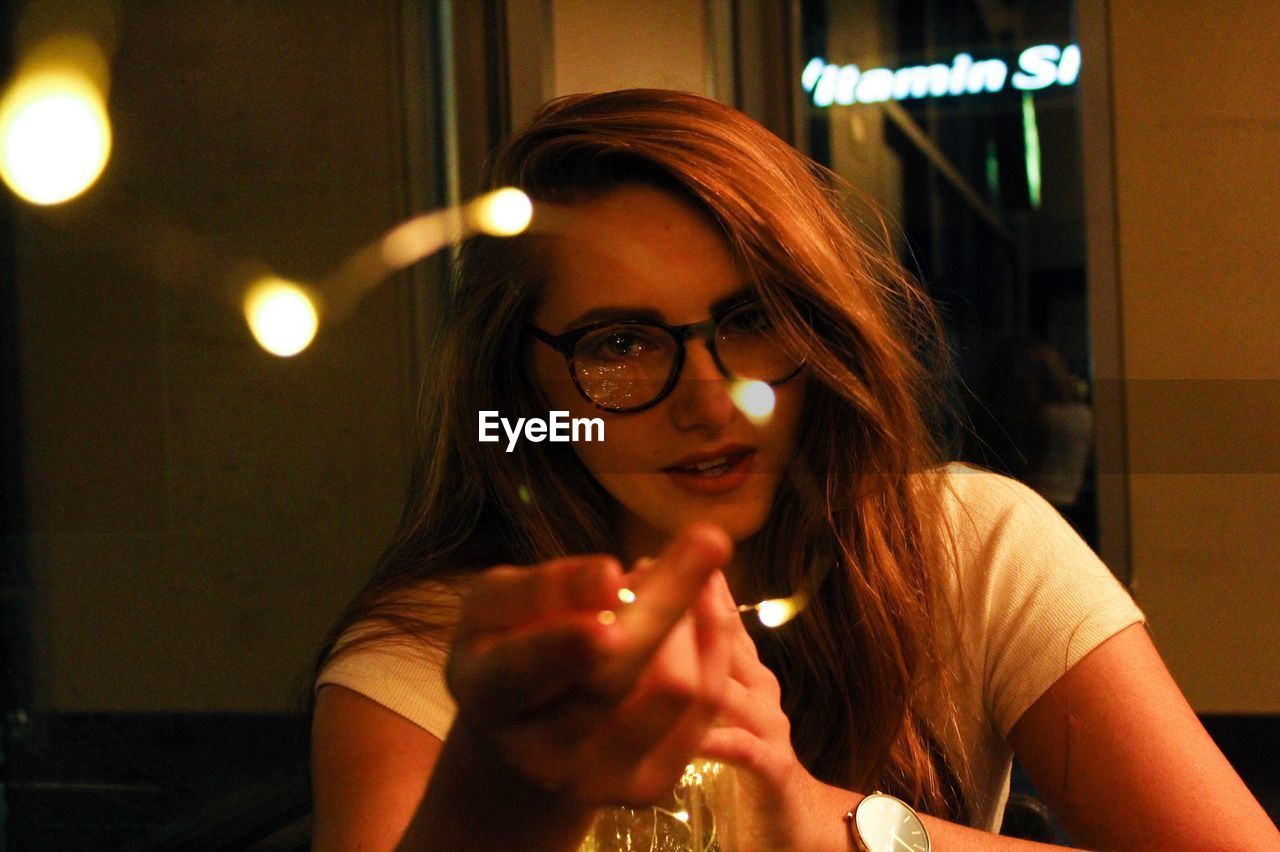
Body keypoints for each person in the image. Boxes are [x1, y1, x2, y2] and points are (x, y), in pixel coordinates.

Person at [309, 89, 1277, 850]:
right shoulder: (442, 655)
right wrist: (502, 792)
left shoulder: (965, 545)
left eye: (750, 319)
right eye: (619, 343)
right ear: (526, 383)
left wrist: (817, 825)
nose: (709, 396)